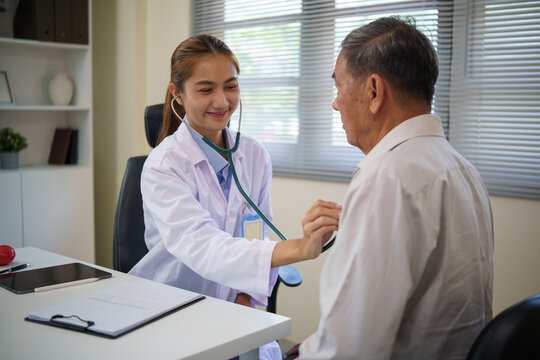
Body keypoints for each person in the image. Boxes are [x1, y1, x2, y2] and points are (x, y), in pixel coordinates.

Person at [287, 16, 494, 359]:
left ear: (373, 91)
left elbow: (349, 348)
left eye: (339, 87)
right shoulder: (462, 168)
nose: (335, 103)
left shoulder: (386, 179)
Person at [129, 34, 340, 359]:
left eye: (230, 86)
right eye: (205, 89)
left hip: (236, 310)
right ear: (178, 94)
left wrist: (246, 304)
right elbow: (205, 248)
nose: (222, 101)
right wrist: (300, 247)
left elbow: (255, 236)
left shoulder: (253, 155)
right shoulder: (164, 165)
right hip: (174, 308)